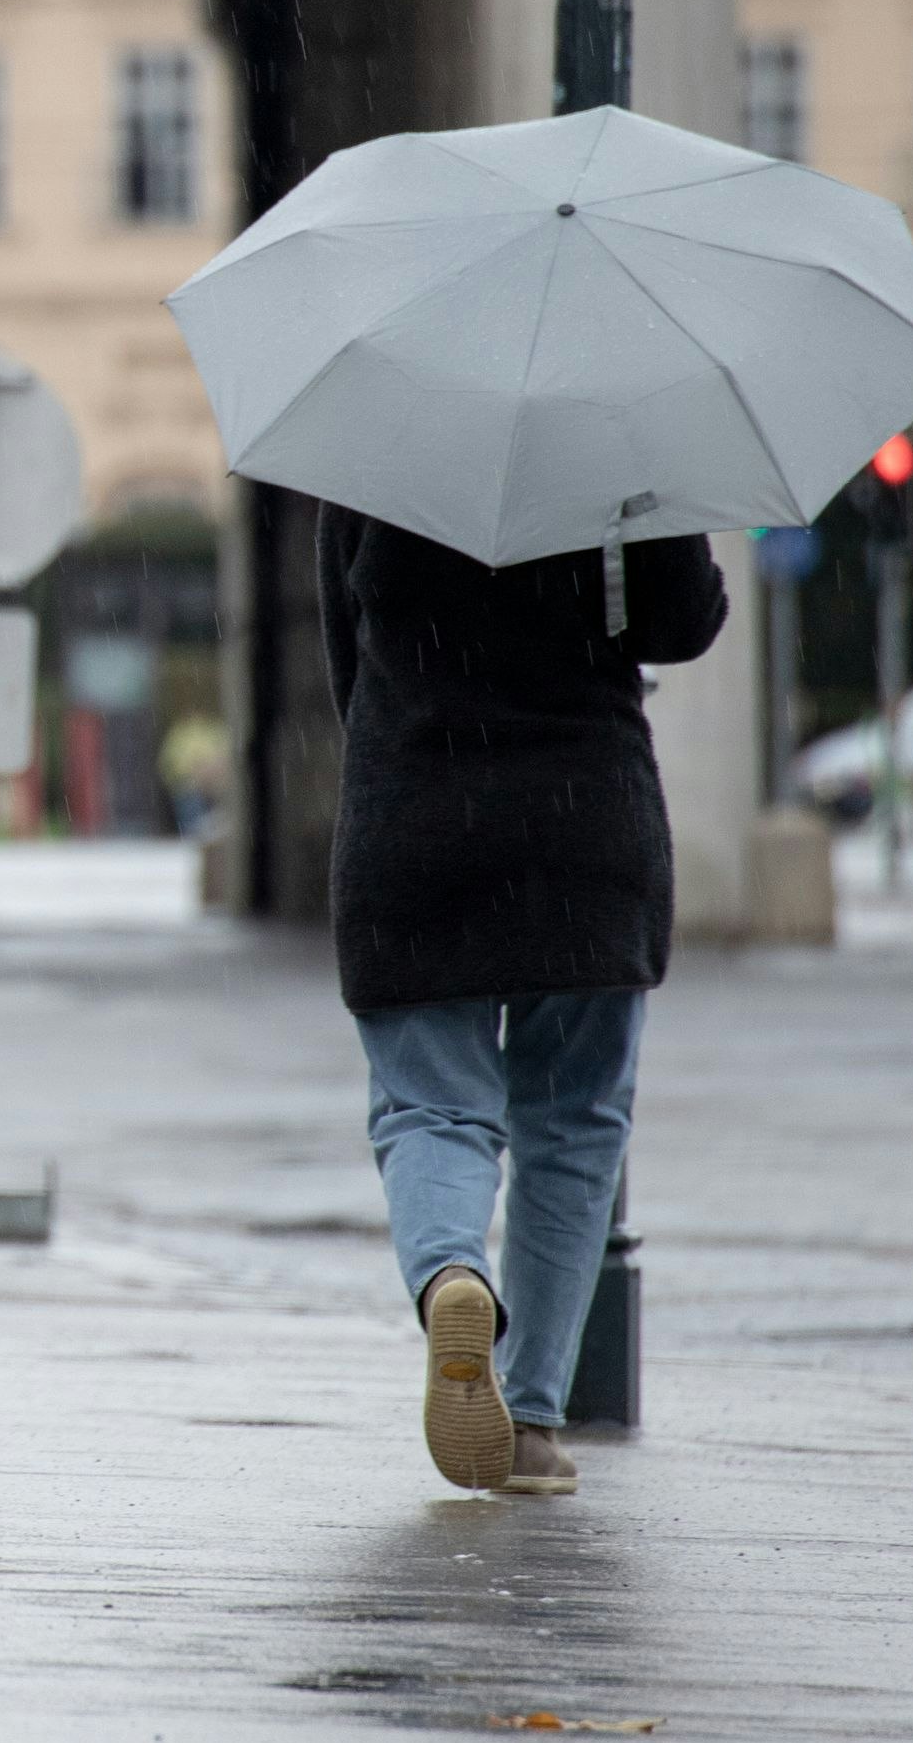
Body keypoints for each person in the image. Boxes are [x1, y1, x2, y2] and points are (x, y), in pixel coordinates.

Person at [319, 504, 725, 1495]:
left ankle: (452, 1276)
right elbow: (680, 622)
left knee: (429, 1105)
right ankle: (532, 1418)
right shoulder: (622, 444)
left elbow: (344, 647)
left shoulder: (376, 445)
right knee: (573, 1123)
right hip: (585, 820)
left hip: (416, 814)